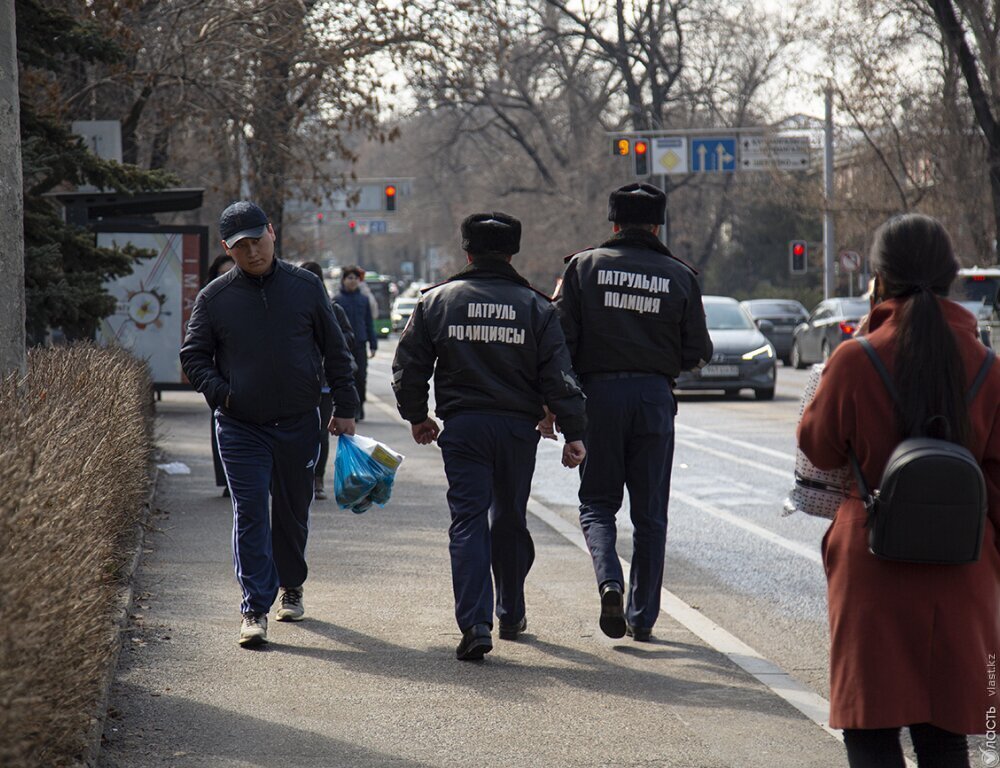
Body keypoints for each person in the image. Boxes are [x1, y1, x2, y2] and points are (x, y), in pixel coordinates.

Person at [798, 213, 1000, 768]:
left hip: (872, 565)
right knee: (945, 736)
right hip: (962, 566)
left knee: (870, 729)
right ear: (951, 276)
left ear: (879, 278)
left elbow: (819, 447)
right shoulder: (988, 366)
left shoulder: (856, 359)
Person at [392, 212, 588, 661]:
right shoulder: (537, 307)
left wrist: (418, 417)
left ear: (466, 251)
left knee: (468, 521)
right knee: (509, 518)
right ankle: (511, 611)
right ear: (512, 252)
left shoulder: (437, 301)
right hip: (518, 431)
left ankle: (475, 623)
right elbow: (560, 376)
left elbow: (408, 368)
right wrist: (574, 430)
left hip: (463, 430)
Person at [180, 201, 358, 648]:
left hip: (300, 422)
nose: (252, 252)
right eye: (241, 247)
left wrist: (345, 407)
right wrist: (224, 394)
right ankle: (254, 607)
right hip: (241, 425)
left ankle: (291, 585)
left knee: (293, 511)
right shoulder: (215, 298)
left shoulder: (305, 287)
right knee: (252, 510)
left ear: (272, 233)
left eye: (258, 241)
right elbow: (193, 356)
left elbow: (336, 350)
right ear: (227, 248)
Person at [552, 183, 712, 642]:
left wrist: (562, 402)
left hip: (598, 398)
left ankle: (609, 582)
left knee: (598, 505)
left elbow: (561, 344)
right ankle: (642, 618)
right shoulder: (680, 276)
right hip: (654, 401)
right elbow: (698, 350)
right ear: (657, 225)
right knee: (650, 514)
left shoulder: (583, 268)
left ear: (614, 223)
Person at [300, 261, 357, 501]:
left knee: (321, 433)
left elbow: (348, 337)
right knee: (298, 432)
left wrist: (326, 338)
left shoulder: (332, 309)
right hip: (298, 382)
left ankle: (317, 478)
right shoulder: (291, 307)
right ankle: (300, 479)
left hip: (324, 383)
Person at [205, 254, 236, 498]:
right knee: (223, 433)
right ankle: (227, 479)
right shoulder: (207, 303)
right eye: (221, 275)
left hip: (257, 385)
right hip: (222, 385)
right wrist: (216, 388)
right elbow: (195, 354)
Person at [334, 266, 377, 421]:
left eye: (355, 278)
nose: (352, 281)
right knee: (346, 377)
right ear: (343, 280)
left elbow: (369, 323)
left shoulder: (363, 300)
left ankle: (360, 406)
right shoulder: (337, 300)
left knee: (361, 377)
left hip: (360, 343)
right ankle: (350, 408)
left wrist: (373, 344)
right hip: (344, 345)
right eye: (349, 278)